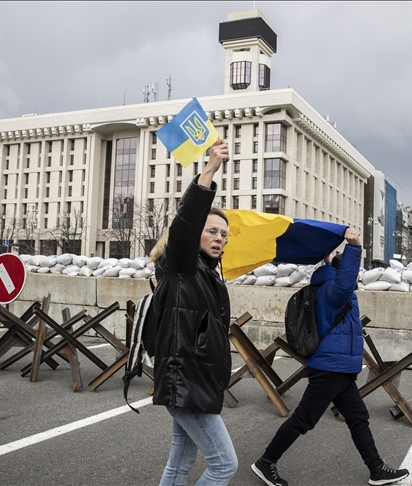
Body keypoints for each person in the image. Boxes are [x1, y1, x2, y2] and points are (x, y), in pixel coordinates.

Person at [251, 229, 409, 486]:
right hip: (330, 369)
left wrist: (326, 259)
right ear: (342, 270)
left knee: (358, 418)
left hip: (339, 369)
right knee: (303, 420)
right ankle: (265, 463)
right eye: (353, 270)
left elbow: (338, 275)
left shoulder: (325, 286)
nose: (356, 276)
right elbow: (345, 281)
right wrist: (354, 246)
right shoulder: (335, 292)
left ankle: (376, 469)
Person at [149, 138, 238, 486]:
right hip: (186, 383)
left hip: (194, 383)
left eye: (224, 235)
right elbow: (185, 224)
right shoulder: (182, 266)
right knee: (223, 465)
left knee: (180, 464)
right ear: (194, 235)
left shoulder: (204, 273)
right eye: (212, 231)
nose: (219, 238)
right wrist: (210, 170)